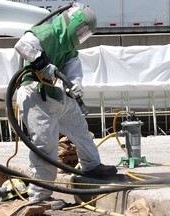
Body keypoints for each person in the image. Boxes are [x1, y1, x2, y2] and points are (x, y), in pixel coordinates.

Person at [14, 3, 117, 203]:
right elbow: (23, 45)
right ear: (73, 25)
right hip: (35, 95)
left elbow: (73, 69)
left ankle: (91, 166)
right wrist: (42, 64)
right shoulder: (48, 32)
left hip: (55, 95)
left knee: (79, 129)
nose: (81, 35)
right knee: (45, 146)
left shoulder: (69, 47)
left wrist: (76, 84)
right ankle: (39, 197)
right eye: (81, 30)